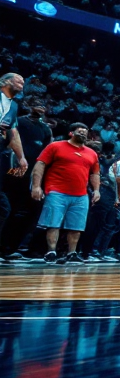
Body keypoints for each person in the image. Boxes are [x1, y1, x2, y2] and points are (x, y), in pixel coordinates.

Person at [30, 122, 100, 265]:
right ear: (71, 133)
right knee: (53, 223)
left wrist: (97, 190)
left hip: (81, 195)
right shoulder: (55, 146)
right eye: (80, 131)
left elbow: (95, 173)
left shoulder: (92, 153)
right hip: (57, 191)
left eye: (85, 132)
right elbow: (40, 164)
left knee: (76, 226)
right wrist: (36, 186)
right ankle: (51, 252)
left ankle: (71, 253)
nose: (83, 134)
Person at [1, 96, 49, 258]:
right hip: (14, 169)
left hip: (33, 174)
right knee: (11, 207)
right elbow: (10, 141)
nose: (40, 107)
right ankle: (3, 247)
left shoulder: (45, 129)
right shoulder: (19, 122)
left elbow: (46, 154)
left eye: (43, 105)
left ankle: (10, 248)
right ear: (28, 105)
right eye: (37, 104)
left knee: (29, 211)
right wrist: (14, 166)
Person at [0, 72, 29, 256]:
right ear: (5, 81)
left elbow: (13, 132)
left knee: (4, 208)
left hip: (1, 153)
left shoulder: (14, 106)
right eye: (18, 80)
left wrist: (21, 157)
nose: (22, 83)